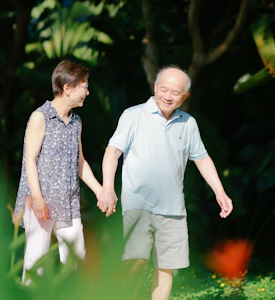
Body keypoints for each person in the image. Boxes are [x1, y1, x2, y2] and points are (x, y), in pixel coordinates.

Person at [97, 65, 233, 300]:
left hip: (173, 209)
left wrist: (220, 192)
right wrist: (107, 188)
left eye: (175, 92)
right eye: (164, 89)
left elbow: (201, 159)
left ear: (185, 97)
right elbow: (112, 152)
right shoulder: (133, 115)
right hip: (138, 204)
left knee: (166, 268)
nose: (168, 96)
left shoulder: (188, 123)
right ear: (155, 87)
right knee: (136, 261)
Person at [14, 60, 102, 284]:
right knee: (37, 261)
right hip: (39, 201)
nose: (87, 92)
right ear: (67, 88)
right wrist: (38, 199)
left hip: (68, 201)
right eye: (84, 86)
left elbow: (79, 162)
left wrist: (100, 191)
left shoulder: (76, 122)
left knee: (76, 258)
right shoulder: (40, 117)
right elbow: (30, 161)